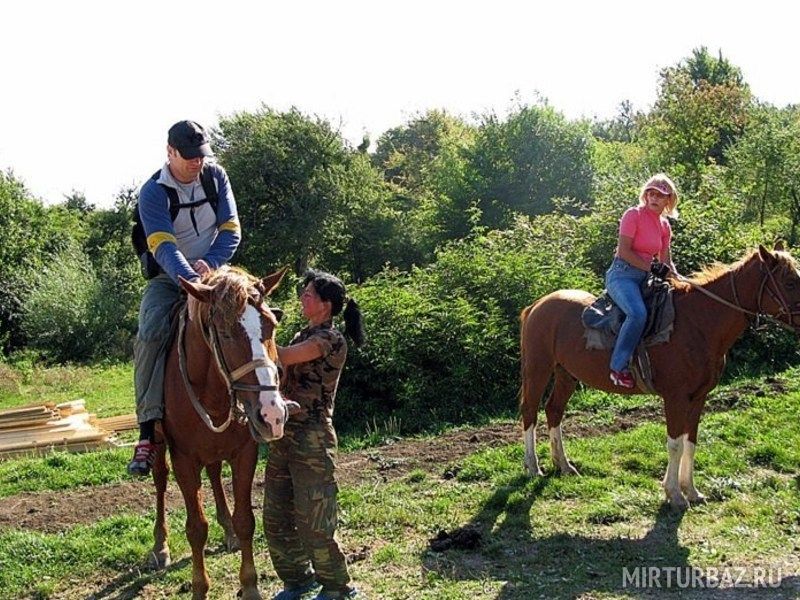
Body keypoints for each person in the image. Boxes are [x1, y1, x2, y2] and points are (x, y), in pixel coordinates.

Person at [127, 120, 241, 476]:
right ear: (170, 152)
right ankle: (148, 431)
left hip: (216, 271)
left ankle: (264, 407)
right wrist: (190, 279)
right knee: (150, 332)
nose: (197, 163)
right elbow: (162, 244)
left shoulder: (216, 176)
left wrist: (211, 264)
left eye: (201, 155)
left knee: (255, 313)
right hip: (170, 277)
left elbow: (231, 229)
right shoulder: (153, 192)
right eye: (189, 157)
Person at [264, 270, 365, 600]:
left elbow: (287, 358)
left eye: (308, 294)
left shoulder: (330, 340)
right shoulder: (299, 334)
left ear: (326, 304)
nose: (302, 298)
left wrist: (254, 340)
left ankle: (337, 586)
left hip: (312, 438)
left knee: (314, 520)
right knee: (276, 517)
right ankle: (297, 580)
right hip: (284, 436)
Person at [605, 173, 679, 389]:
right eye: (651, 193)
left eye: (661, 195)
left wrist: (679, 278)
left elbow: (666, 261)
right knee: (638, 313)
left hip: (646, 279)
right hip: (622, 275)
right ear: (645, 195)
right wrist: (654, 268)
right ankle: (618, 368)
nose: (654, 198)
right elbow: (623, 251)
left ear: (668, 200)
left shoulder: (665, 226)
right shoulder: (633, 215)